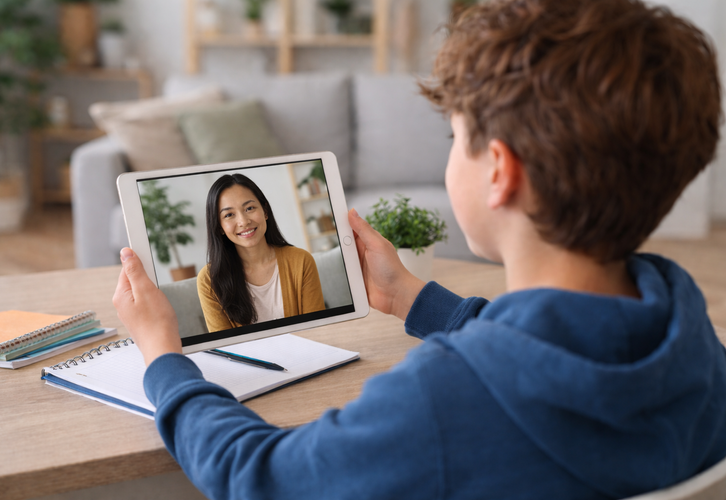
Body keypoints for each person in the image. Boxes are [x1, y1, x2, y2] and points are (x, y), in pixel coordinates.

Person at [112, 0, 726, 498]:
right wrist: (413, 299)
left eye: (456, 138)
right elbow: (547, 349)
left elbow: (260, 476)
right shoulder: (691, 335)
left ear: (499, 174)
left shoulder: (441, 401)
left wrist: (165, 360)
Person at [196, 173, 324, 332]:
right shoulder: (209, 280)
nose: (243, 221)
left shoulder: (301, 260)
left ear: (265, 211)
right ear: (219, 226)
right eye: (229, 215)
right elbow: (226, 348)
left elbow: (318, 331)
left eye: (249, 208)